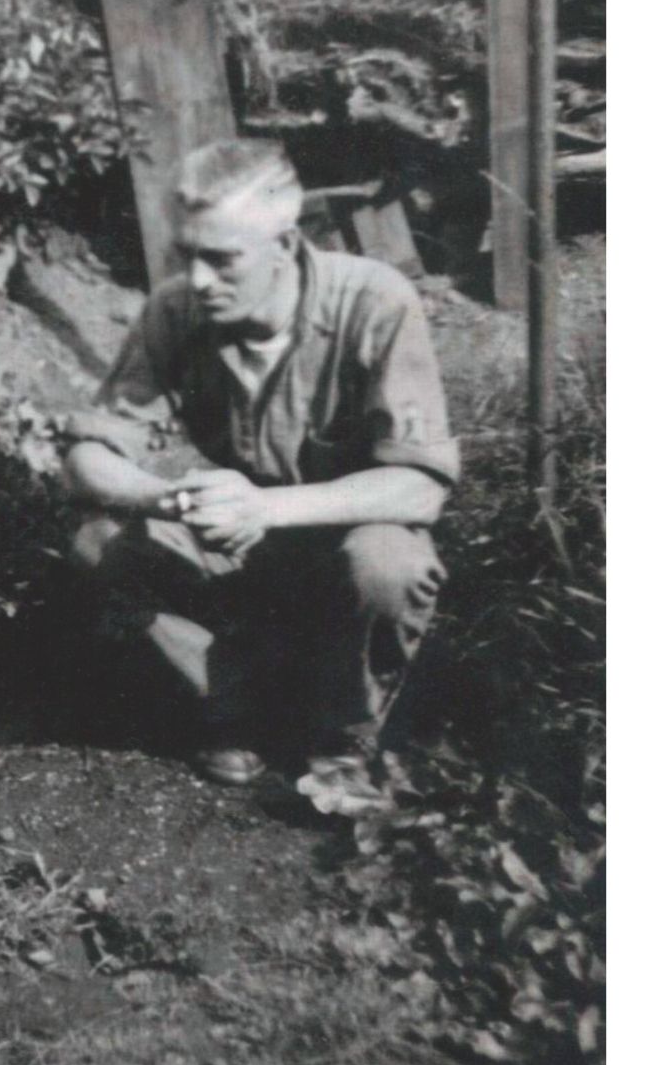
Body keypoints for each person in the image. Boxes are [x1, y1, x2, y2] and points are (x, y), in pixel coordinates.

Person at [63, 139, 457, 786]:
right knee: (98, 539)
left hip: (341, 545)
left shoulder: (374, 303)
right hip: (241, 551)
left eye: (222, 260)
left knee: (389, 562)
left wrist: (267, 507)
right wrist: (172, 501)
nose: (197, 281)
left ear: (284, 244)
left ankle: (344, 736)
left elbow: (420, 488)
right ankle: (236, 707)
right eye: (186, 255)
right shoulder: (175, 310)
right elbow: (86, 459)